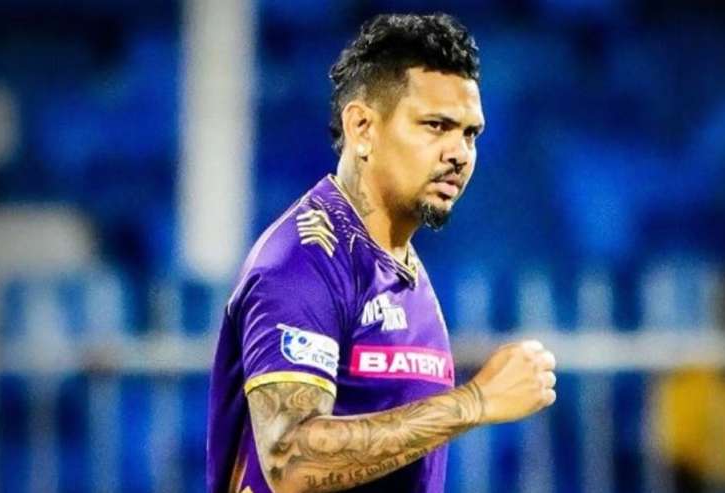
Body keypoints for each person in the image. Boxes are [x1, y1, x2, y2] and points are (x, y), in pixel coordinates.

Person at [207, 13, 557, 493]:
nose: (459, 153)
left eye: (470, 134)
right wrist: (475, 401)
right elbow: (289, 462)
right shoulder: (302, 262)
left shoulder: (402, 266)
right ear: (362, 128)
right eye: (436, 126)